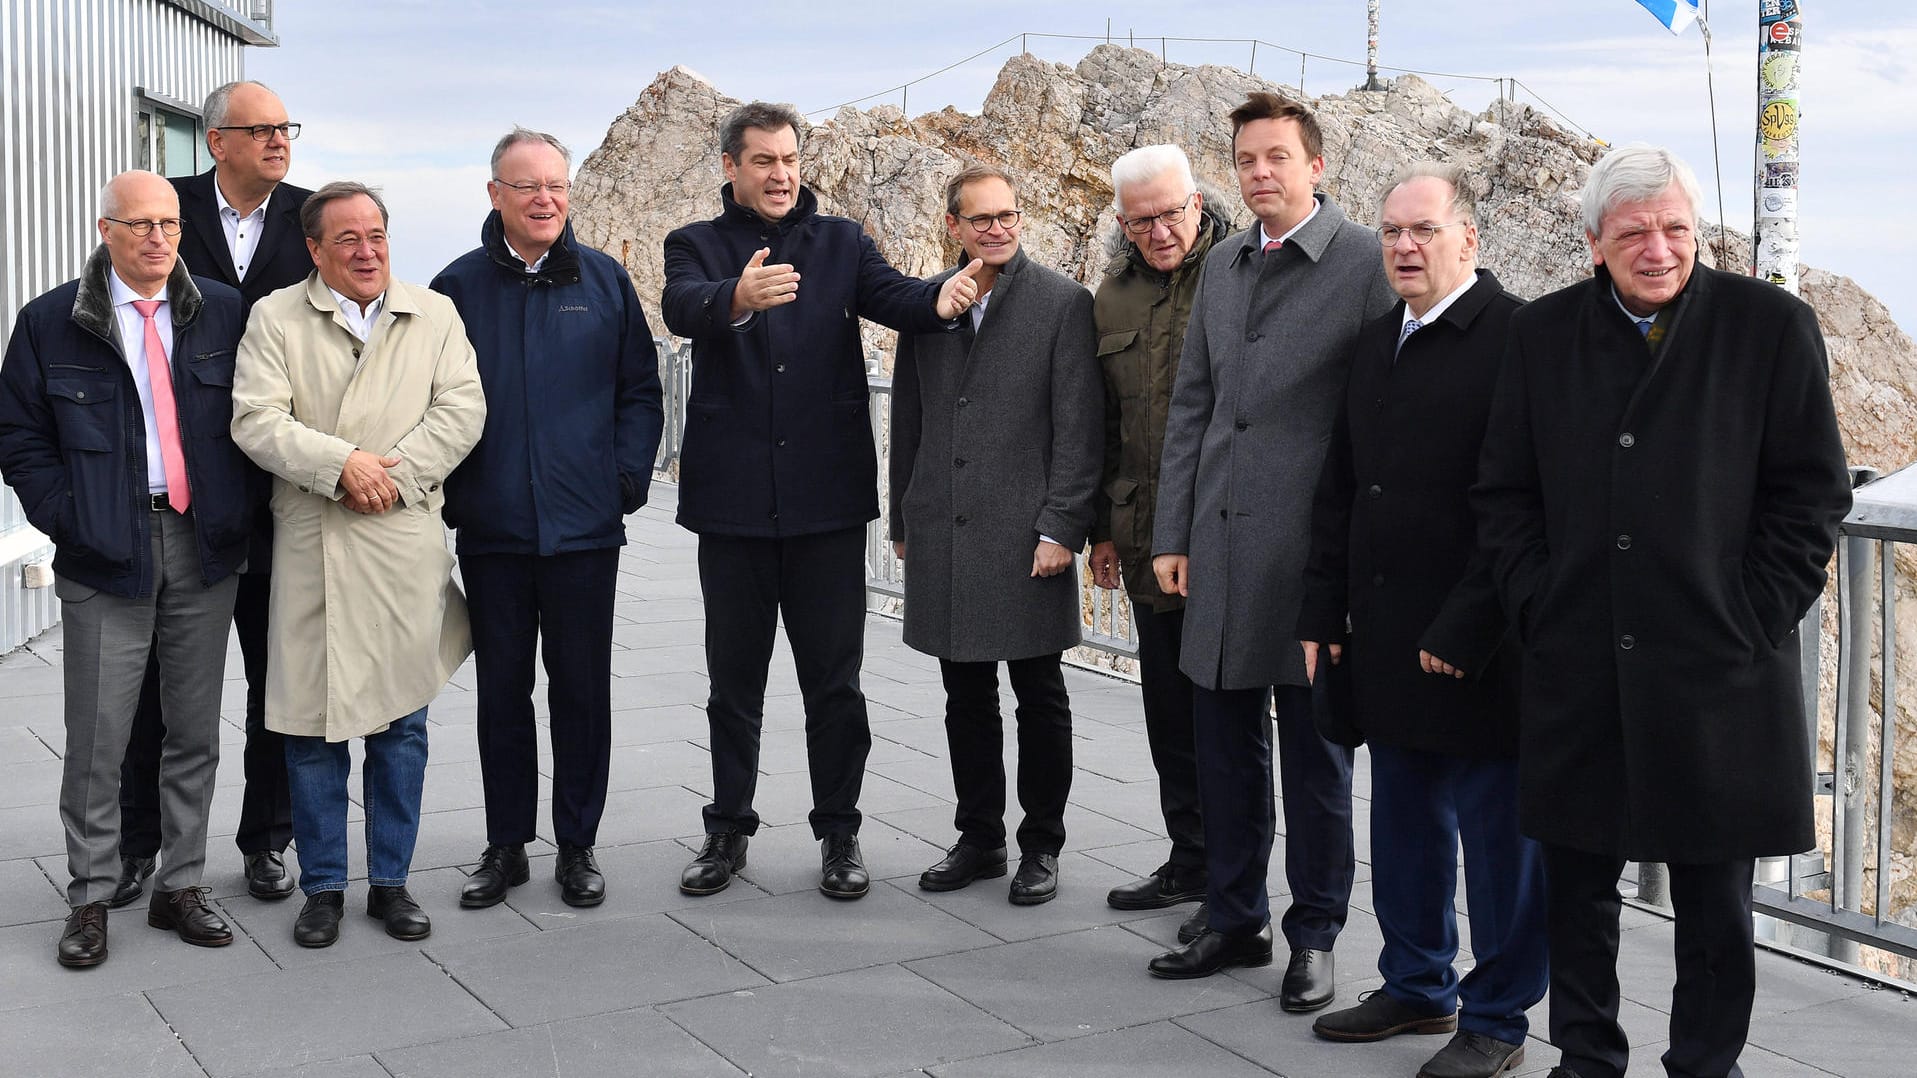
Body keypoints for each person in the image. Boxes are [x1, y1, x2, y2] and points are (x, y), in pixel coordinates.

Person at [1473, 143, 1850, 1078]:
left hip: (1718, 668)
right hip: (1579, 660)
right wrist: (1536, 603)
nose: (1658, 248)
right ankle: (1586, 1059)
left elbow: (1811, 495)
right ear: (1592, 240)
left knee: (1715, 908)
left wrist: (1751, 613)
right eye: (1633, 232)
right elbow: (1503, 493)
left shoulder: (1770, 326)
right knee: (1577, 892)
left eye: (1675, 228)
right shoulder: (1542, 334)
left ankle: (1702, 1066)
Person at [660, 101, 979, 900]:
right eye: (763, 160)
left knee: (832, 685)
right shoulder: (693, 245)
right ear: (730, 167)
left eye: (790, 159)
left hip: (826, 506)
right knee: (732, 684)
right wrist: (736, 295)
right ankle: (726, 831)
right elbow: (680, 305)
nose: (780, 174)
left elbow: (900, 299)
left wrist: (945, 296)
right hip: (731, 506)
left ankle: (840, 835)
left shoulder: (840, 241)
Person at [1298, 163, 1546, 1078]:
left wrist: (1467, 626)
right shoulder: (1374, 341)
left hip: (1483, 644)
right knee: (1401, 819)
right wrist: (1321, 607)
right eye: (1393, 232)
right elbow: (1341, 486)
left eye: (1423, 231)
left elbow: (1525, 504)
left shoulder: (1520, 337)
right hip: (1385, 633)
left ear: (1467, 239)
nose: (1404, 247)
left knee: (1498, 845)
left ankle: (1497, 1017)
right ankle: (1415, 983)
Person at [1145, 93, 1393, 1010]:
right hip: (1214, 544)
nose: (1259, 172)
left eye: (1277, 157)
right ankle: (1231, 916)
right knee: (1223, 747)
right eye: (1246, 159)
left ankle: (1315, 934)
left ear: (1315, 167)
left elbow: (1381, 419)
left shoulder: (1366, 263)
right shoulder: (1222, 266)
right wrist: (1171, 532)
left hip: (1308, 555)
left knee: (1315, 758)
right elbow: (1193, 406)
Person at [0, 170, 251, 967]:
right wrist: (74, 521)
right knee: (99, 737)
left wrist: (234, 513)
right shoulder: (51, 322)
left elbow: (258, 417)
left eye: (170, 224)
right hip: (106, 549)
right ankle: (91, 896)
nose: (157, 239)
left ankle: (181, 885)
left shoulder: (222, 311)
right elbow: (19, 437)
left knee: (194, 731)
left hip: (201, 544)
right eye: (139, 224)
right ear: (104, 228)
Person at [231, 181, 485, 948]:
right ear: (314, 249)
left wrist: (393, 473)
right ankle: (324, 888)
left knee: (402, 724)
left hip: (401, 538)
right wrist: (342, 465)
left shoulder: (432, 313)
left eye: (376, 234)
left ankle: (393, 882)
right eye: (347, 239)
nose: (367, 250)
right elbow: (255, 417)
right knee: (311, 730)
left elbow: (463, 407)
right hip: (314, 542)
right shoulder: (275, 316)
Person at [432, 127, 664, 910]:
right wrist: (457, 496)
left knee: (580, 690)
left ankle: (576, 844)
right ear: (494, 194)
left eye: (556, 186)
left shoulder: (601, 282)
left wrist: (623, 481)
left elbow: (640, 390)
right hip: (493, 530)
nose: (544, 200)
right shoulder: (455, 289)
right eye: (527, 186)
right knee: (502, 692)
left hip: (584, 530)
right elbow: (425, 399)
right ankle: (506, 846)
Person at [113, 79, 313, 910]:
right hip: (181, 508)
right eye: (260, 129)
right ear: (216, 140)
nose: (279, 140)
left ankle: (267, 841)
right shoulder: (165, 210)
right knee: (153, 693)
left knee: (279, 683)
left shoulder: (310, 218)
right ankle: (137, 845)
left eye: (286, 128)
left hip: (281, 498)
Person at [890, 164, 1101, 906]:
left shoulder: (1063, 304)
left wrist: (1061, 529)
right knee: (963, 692)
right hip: (943, 528)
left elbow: (1079, 429)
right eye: (980, 219)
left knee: (1039, 693)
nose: (997, 229)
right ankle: (978, 837)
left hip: (1027, 537)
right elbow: (907, 419)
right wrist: (901, 517)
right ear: (953, 226)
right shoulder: (929, 304)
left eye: (1007, 215)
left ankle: (1040, 844)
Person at [1087, 144, 1231, 926]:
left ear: (1197, 202)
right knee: (1168, 713)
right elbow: (1106, 425)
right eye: (1140, 220)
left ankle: (1234, 877)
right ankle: (1190, 860)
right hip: (1146, 538)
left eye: (1171, 213)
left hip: (1224, 537)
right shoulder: (1110, 298)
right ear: (1121, 222)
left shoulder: (1240, 273)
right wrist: (1103, 531)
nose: (1159, 231)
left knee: (1228, 718)